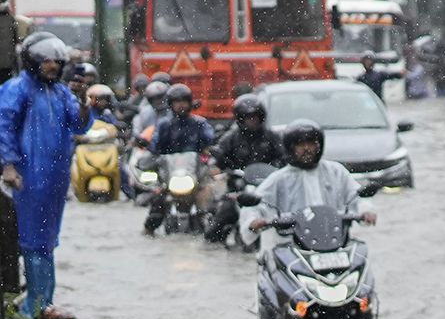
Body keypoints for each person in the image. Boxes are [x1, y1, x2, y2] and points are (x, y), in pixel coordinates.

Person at [0, 32, 88, 319]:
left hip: (55, 177)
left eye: (56, 61)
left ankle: (43, 302)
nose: (53, 66)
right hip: (28, 176)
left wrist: (84, 101)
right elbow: (5, 128)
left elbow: (79, 124)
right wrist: (9, 166)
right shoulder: (17, 89)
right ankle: (36, 307)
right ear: (33, 60)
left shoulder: (61, 92)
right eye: (47, 61)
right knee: (33, 240)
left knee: (48, 240)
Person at [247, 120, 376, 252]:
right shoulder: (279, 179)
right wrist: (254, 221)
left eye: (311, 143)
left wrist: (366, 211)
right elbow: (256, 205)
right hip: (291, 247)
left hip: (336, 244)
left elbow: (356, 195)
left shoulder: (336, 171)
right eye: (300, 144)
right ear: (290, 147)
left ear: (319, 145)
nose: (307, 148)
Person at [203, 93, 285, 243]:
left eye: (255, 117)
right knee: (216, 227)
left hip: (266, 190)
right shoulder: (231, 138)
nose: (252, 121)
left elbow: (284, 156)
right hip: (238, 190)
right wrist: (215, 166)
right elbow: (218, 155)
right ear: (240, 119)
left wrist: (279, 167)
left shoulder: (271, 137)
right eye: (248, 117)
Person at [138, 83, 215, 236]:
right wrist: (148, 155)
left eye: (184, 101)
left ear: (189, 102)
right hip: (170, 177)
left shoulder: (199, 123)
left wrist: (211, 150)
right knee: (158, 201)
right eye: (177, 101)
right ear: (170, 104)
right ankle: (147, 231)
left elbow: (210, 142)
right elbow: (155, 146)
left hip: (196, 175)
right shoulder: (164, 125)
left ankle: (212, 233)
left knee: (211, 202)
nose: (181, 105)